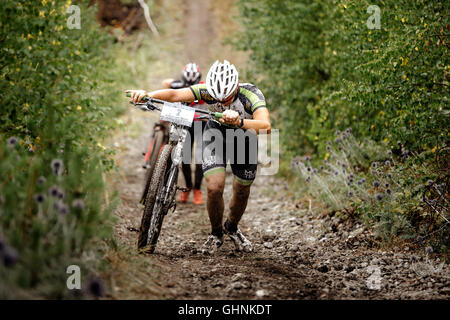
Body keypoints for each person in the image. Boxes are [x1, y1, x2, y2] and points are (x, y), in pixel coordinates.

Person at [126, 60, 271, 254]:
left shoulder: (250, 94)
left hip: (242, 136)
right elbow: (175, 94)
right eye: (217, 97)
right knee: (213, 187)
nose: (222, 101)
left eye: (227, 97)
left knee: (242, 189)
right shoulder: (206, 90)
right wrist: (147, 94)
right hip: (215, 135)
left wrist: (240, 120)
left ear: (235, 87)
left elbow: (266, 125)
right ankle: (216, 233)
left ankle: (233, 228)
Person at [161, 63, 205, 205]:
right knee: (185, 157)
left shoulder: (205, 86)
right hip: (185, 122)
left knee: (199, 157)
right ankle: (188, 187)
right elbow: (166, 83)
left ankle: (197, 189)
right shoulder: (178, 84)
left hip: (201, 122)